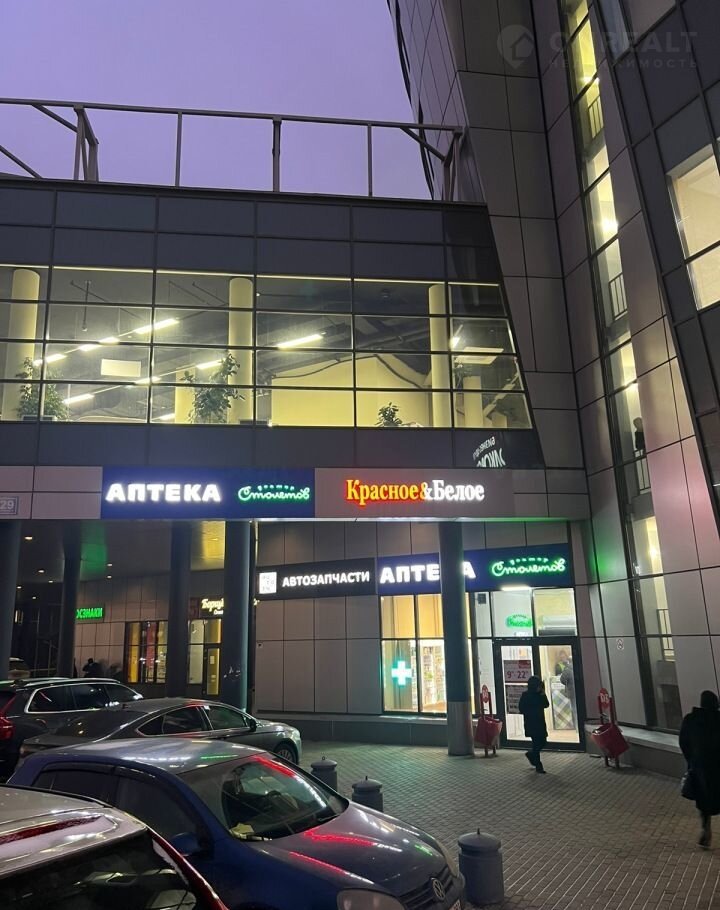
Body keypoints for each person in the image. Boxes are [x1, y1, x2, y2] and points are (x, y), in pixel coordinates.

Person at [679, 690, 720, 849]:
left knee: (704, 801)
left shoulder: (691, 720)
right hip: (718, 766)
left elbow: (683, 742)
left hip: (700, 768)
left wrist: (692, 760)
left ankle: (705, 828)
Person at [518, 675, 549, 774]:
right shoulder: (531, 695)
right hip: (535, 722)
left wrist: (542, 693)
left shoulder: (535, 694)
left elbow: (546, 705)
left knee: (540, 742)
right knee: (538, 743)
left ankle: (532, 756)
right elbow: (546, 705)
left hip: (533, 723)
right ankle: (538, 765)